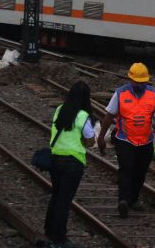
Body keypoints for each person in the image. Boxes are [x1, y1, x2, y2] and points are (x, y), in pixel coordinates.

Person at [97, 62, 155, 218]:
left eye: (142, 82)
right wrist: (101, 136)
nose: (140, 85)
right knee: (126, 169)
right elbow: (109, 116)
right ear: (130, 79)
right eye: (137, 82)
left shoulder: (154, 94)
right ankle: (123, 200)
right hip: (125, 140)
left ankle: (133, 199)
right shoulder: (120, 94)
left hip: (146, 141)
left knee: (140, 172)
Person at [44, 81, 96, 248]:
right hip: (73, 163)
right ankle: (59, 239)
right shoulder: (83, 116)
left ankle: (49, 230)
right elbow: (90, 141)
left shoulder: (60, 110)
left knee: (56, 196)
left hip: (55, 160)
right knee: (64, 201)